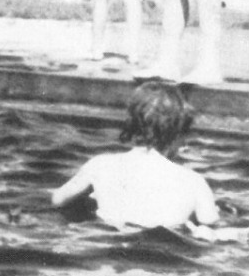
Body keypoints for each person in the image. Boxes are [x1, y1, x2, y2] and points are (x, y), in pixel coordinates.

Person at [51, 80, 219, 231]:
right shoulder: (194, 181)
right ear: (179, 134)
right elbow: (209, 219)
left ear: (132, 124)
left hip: (109, 241)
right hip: (165, 251)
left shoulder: (99, 165)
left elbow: (57, 199)